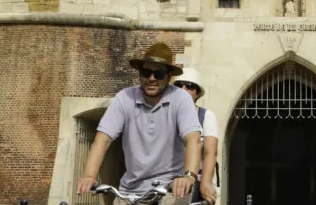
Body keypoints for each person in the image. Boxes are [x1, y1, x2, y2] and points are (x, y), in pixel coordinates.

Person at [76, 43, 202, 204]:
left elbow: (193, 140)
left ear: (169, 76)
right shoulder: (124, 98)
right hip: (131, 189)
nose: (151, 78)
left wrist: (188, 176)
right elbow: (103, 139)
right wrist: (89, 176)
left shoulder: (181, 99)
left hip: (170, 187)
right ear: (140, 74)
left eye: (158, 74)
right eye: (146, 73)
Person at [173, 68, 219, 204]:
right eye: (179, 85)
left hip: (196, 179)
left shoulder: (206, 116)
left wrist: (205, 184)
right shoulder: (166, 113)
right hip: (168, 178)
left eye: (190, 86)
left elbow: (210, 152)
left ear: (197, 93)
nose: (183, 89)